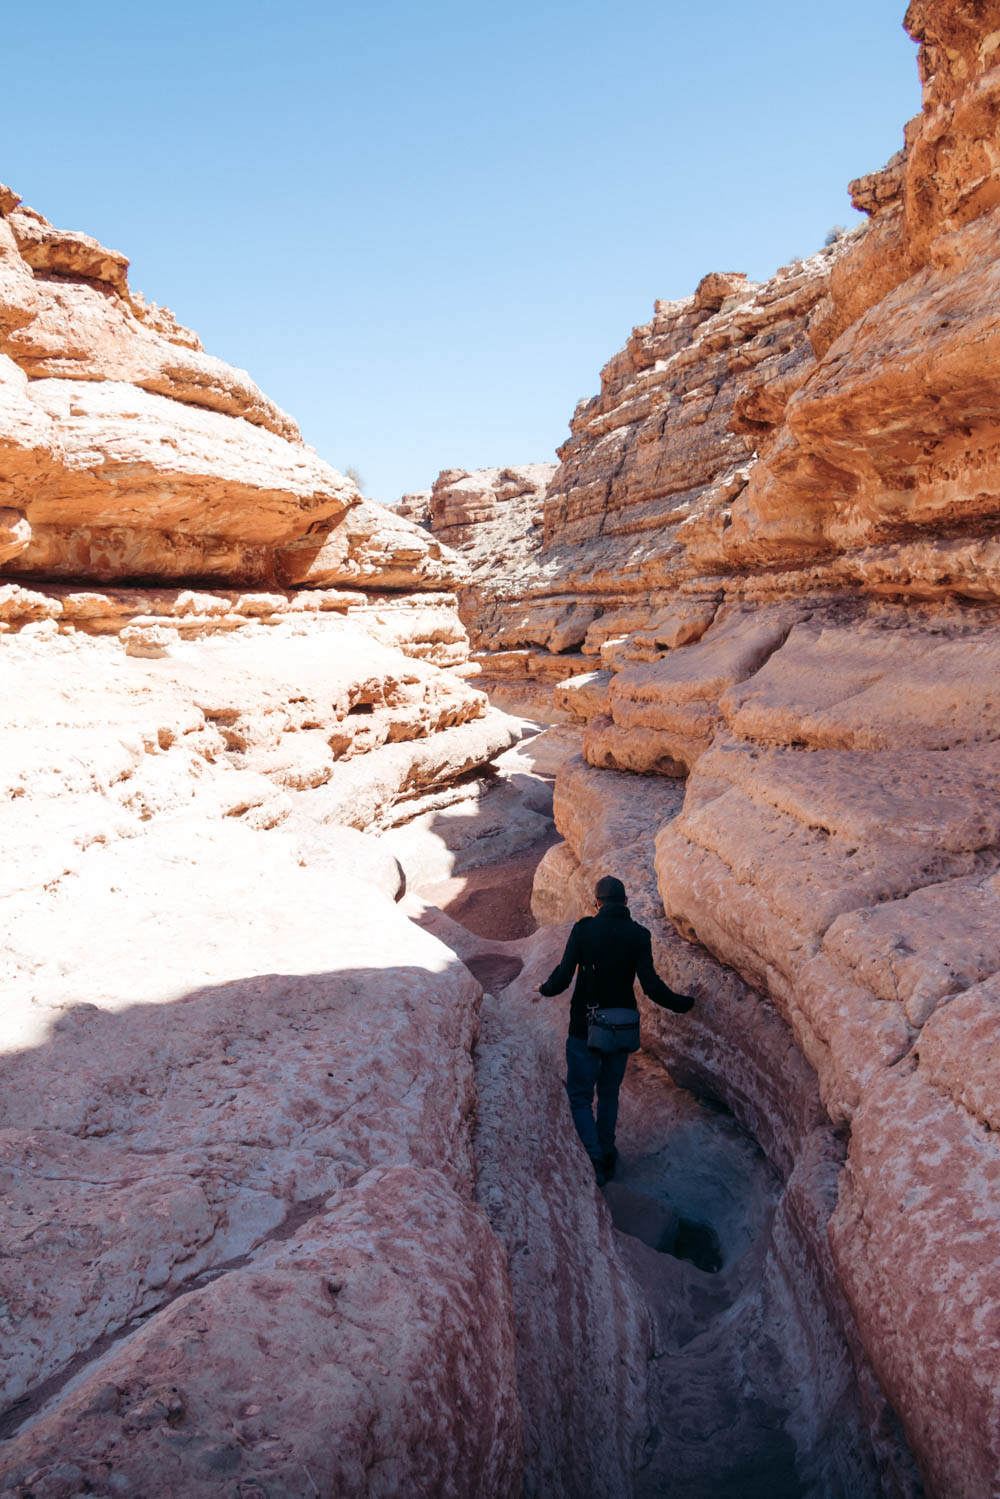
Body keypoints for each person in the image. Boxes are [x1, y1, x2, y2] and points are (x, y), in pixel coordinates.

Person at [536, 874, 695, 1186]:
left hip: (585, 1027)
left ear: (597, 902)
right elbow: (651, 986)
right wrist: (683, 1003)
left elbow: (564, 976)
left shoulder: (584, 930)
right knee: (608, 1094)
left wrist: (545, 989)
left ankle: (593, 1157)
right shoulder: (638, 935)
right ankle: (607, 1152)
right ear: (625, 902)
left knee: (580, 1096)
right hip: (620, 1030)